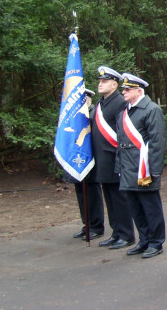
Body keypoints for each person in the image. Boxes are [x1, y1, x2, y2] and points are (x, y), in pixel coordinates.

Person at [115, 72, 166, 259]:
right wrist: (118, 167)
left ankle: (156, 241)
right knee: (135, 208)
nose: (124, 92)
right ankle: (144, 239)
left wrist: (154, 171)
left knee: (151, 207)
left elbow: (157, 142)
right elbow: (120, 143)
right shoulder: (124, 112)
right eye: (123, 89)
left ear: (139, 91)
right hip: (127, 168)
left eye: (128, 89)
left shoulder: (151, 110)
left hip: (143, 169)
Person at [91, 66, 135, 250]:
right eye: (100, 81)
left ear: (115, 84)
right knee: (109, 197)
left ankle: (126, 234)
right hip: (102, 159)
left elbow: (122, 131)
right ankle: (116, 231)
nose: (100, 84)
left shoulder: (119, 103)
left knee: (119, 198)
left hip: (114, 158)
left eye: (104, 81)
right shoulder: (100, 103)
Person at [71, 88, 105, 240]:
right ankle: (87, 224)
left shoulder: (93, 114)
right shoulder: (75, 116)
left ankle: (96, 225)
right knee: (81, 193)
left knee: (92, 193)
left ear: (87, 99)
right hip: (78, 160)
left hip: (90, 160)